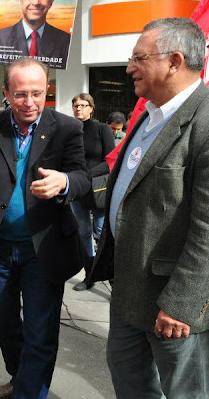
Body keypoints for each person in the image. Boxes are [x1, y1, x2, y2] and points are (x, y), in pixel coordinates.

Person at [89, 17, 209, 399]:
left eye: (139, 58)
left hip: (175, 305)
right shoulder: (149, 115)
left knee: (185, 393)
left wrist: (183, 304)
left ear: (174, 61)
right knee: (130, 383)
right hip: (129, 292)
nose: (129, 68)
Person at [0, 57, 89, 399]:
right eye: (20, 94)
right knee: (1, 322)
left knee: (40, 331)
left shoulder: (67, 128)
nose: (29, 102)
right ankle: (22, 378)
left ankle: (28, 392)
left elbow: (82, 177)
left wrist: (63, 182)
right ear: (5, 93)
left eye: (37, 93)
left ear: (47, 90)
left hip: (44, 248)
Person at [69, 93, 114, 291]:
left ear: (91, 108)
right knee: (83, 232)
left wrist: (87, 175)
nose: (79, 108)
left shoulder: (101, 129)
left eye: (83, 105)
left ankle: (112, 278)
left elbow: (110, 160)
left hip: (98, 187)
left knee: (102, 232)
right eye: (76, 105)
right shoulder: (70, 130)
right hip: (78, 189)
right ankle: (90, 275)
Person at [0, 0, 71, 69]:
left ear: (51, 1)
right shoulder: (2, 37)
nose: (36, 2)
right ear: (21, 1)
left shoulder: (65, 40)